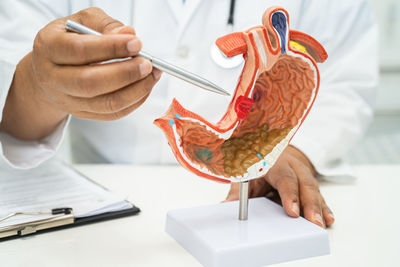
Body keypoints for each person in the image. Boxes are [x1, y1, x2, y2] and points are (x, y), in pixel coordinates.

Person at [0, 0, 378, 228]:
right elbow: (12, 65)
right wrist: (35, 86)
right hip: (106, 213)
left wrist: (291, 148)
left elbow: (347, 79)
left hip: (263, 206)